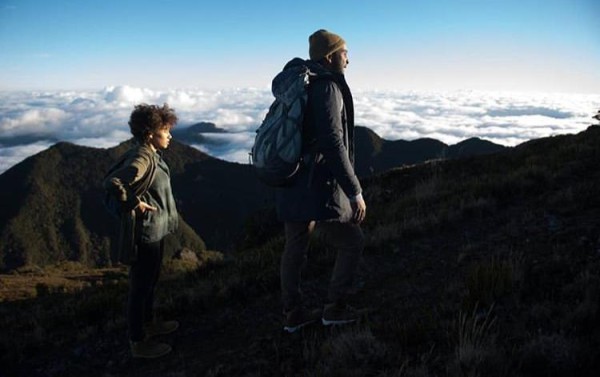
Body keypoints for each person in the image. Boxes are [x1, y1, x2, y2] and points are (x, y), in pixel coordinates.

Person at [276, 29, 367, 333]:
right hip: (317, 185)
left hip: (290, 178)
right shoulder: (326, 87)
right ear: (330, 57)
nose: (348, 59)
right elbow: (332, 142)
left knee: (295, 245)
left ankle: (292, 314)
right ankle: (335, 308)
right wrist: (354, 190)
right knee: (352, 241)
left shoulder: (299, 83)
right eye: (344, 53)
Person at [104, 103, 180, 358]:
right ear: (150, 134)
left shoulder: (153, 153)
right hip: (145, 233)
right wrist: (133, 203)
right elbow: (114, 183)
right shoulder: (143, 157)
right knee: (140, 286)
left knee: (151, 280)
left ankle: (149, 324)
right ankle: (137, 341)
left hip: (155, 231)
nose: (169, 135)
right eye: (165, 130)